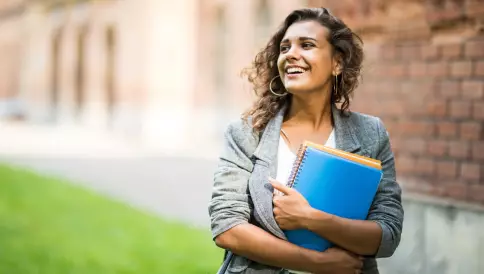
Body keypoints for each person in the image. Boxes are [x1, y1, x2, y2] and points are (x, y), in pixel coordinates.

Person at [208, 7, 404, 274]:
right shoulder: (247, 132)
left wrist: (311, 219)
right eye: (285, 47)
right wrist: (318, 263)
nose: (291, 54)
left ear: (337, 63)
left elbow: (388, 235)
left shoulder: (370, 133)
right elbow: (227, 228)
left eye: (307, 45)